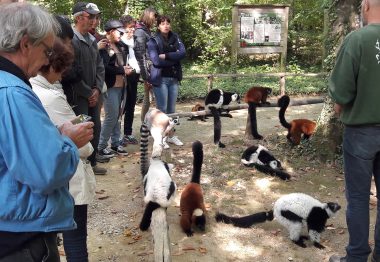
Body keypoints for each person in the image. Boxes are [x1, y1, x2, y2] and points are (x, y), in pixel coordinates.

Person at [0, 3, 94, 261]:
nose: (47, 58)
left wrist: (54, 132)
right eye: (47, 49)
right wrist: (68, 141)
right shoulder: (13, 93)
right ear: (26, 44)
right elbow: (46, 172)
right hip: (22, 238)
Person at [31, 37, 96, 262]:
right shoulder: (48, 97)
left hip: (52, 173)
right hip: (70, 173)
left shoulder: (30, 89)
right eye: (60, 70)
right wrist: (85, 140)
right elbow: (83, 146)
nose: (61, 76)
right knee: (76, 238)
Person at [328, 0, 380, 261]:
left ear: (368, 6)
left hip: (361, 132)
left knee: (358, 198)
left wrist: (340, 108)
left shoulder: (357, 39)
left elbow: (341, 91)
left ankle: (357, 256)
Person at [71, 2, 107, 175]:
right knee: (81, 127)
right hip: (79, 97)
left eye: (95, 17)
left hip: (94, 94)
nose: (94, 20)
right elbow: (71, 72)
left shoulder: (92, 40)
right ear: (79, 18)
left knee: (95, 128)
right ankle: (80, 166)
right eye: (90, 16)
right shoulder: (71, 40)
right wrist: (87, 93)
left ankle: (92, 164)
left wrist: (97, 90)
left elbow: (100, 66)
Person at [147, 15, 186, 148]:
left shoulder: (176, 37)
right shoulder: (153, 41)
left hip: (173, 78)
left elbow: (182, 53)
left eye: (168, 23)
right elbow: (156, 61)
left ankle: (171, 135)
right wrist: (174, 59)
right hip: (161, 79)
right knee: (162, 110)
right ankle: (161, 138)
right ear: (158, 26)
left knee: (172, 110)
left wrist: (167, 56)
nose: (166, 25)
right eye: (163, 23)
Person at [98, 19, 131, 157]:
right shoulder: (102, 46)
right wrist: (122, 70)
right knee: (111, 116)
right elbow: (104, 68)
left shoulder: (121, 45)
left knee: (117, 116)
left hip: (122, 85)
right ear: (111, 32)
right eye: (119, 32)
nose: (122, 35)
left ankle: (116, 143)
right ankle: (101, 146)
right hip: (110, 86)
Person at [134, 7, 157, 121]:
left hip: (153, 69)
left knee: (150, 99)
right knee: (148, 100)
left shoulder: (147, 30)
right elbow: (140, 55)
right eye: (153, 17)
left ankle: (147, 125)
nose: (155, 20)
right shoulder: (140, 31)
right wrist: (146, 77)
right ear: (148, 16)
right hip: (148, 71)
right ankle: (144, 125)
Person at [120, 14, 140, 146]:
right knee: (121, 107)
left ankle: (127, 133)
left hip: (134, 76)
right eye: (129, 28)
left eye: (133, 27)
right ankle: (115, 136)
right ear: (123, 28)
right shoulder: (120, 42)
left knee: (131, 105)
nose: (132, 30)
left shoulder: (136, 40)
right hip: (122, 78)